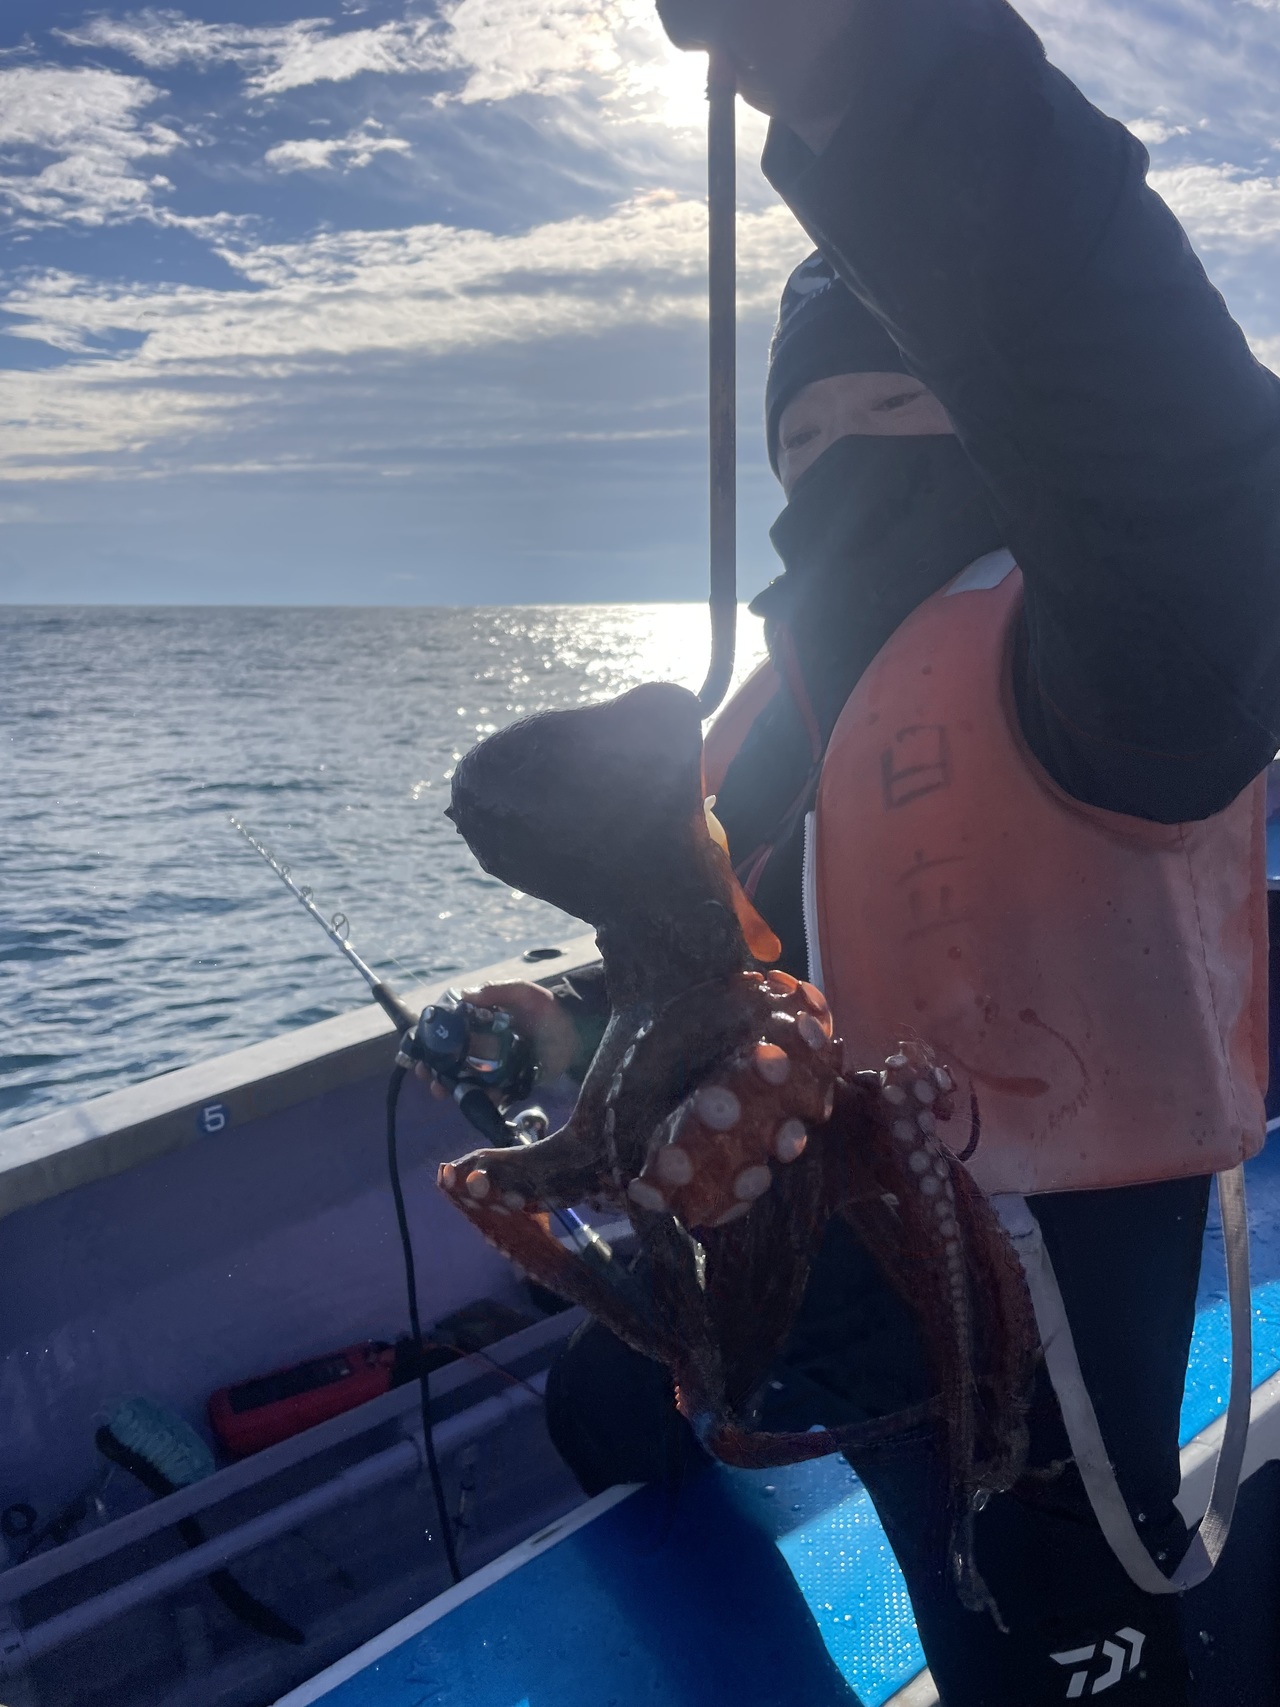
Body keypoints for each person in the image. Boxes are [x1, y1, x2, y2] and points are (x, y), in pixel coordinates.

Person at [443, 1, 1280, 1698]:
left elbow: (1175, 460)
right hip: (794, 1248)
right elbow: (736, 934)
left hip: (1035, 1280)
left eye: (890, 408)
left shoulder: (1114, 668)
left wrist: (873, 57)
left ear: (993, 419)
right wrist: (566, 1021)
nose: (839, 469)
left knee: (1023, 1617)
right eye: (802, 442)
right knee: (604, 1409)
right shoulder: (787, 704)